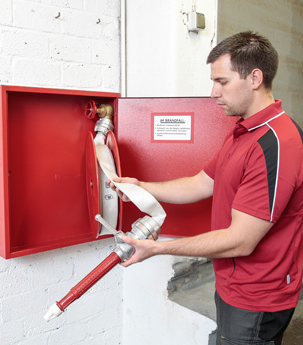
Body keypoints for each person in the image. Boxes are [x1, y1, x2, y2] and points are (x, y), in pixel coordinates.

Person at [109, 31, 303, 345]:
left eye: (222, 81)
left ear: (255, 78)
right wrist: (141, 186)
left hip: (257, 298)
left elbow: (240, 241)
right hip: (231, 284)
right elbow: (201, 183)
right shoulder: (243, 131)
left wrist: (158, 249)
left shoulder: (277, 144)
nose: (213, 93)